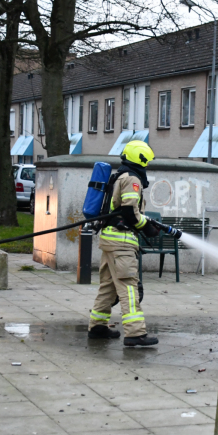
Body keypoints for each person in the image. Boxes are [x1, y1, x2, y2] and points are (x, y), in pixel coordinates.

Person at [87, 140, 160, 347]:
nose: (147, 166)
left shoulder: (120, 176)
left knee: (108, 286)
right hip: (122, 242)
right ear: (140, 159)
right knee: (129, 286)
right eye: (146, 162)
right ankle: (135, 333)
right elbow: (130, 211)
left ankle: (97, 326)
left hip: (110, 239)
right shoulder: (132, 179)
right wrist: (147, 226)